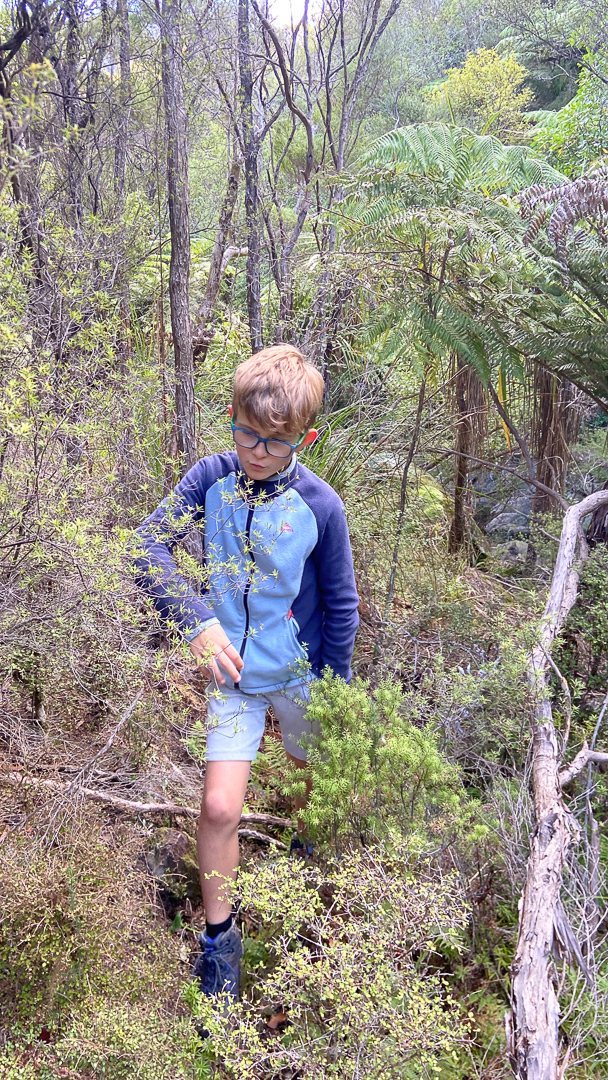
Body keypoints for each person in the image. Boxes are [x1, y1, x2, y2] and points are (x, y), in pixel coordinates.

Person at [134, 344, 359, 1004]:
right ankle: (220, 942)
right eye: (246, 434)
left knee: (309, 787)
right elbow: (145, 545)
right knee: (218, 807)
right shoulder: (211, 479)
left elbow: (341, 604)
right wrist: (197, 620)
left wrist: (335, 693)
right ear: (231, 417)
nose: (257, 452)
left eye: (275, 442)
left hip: (300, 675)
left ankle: (306, 877)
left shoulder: (320, 506)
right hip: (231, 675)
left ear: (304, 438)